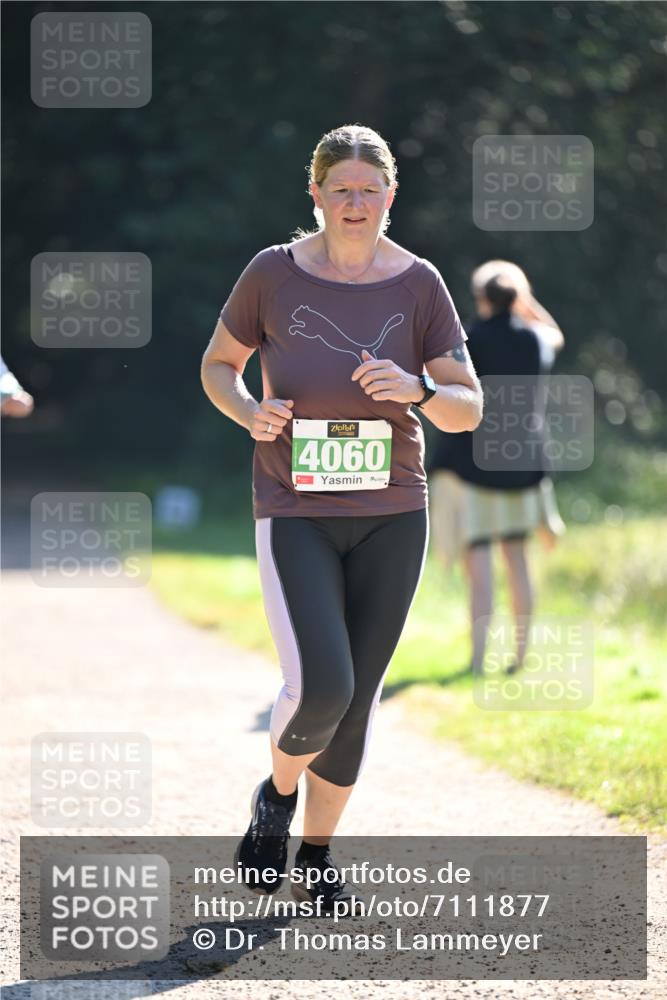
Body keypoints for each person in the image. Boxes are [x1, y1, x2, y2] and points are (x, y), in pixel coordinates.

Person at [200, 124, 483, 911]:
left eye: (369, 190)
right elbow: (218, 366)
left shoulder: (419, 282)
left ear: (390, 196)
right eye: (340, 189)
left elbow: (466, 409)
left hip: (394, 510)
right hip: (294, 507)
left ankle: (317, 855)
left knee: (359, 700)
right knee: (322, 684)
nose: (355, 203)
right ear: (316, 196)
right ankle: (277, 797)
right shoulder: (271, 274)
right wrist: (249, 410)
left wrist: (419, 391)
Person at [429, 260, 566, 675]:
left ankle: (476, 660)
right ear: (516, 299)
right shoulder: (536, 339)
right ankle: (520, 658)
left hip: (471, 467)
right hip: (523, 466)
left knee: (480, 561)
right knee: (518, 560)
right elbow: (557, 334)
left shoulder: (468, 341)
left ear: (481, 298)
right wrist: (526, 300)